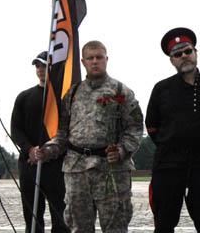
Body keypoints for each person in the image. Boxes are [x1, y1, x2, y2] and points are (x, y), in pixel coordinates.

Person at [37, 40, 143, 232]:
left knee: (116, 227)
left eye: (99, 57)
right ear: (83, 61)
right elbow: (62, 133)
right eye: (90, 58)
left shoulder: (121, 92)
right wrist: (48, 149)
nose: (95, 61)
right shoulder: (72, 93)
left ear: (106, 59)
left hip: (111, 171)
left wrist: (121, 150)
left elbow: (135, 128)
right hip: (77, 169)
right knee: (79, 227)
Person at [145, 27, 200, 233]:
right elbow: (152, 125)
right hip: (168, 163)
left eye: (187, 51)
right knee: (163, 223)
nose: (184, 56)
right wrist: (169, 144)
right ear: (172, 60)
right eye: (177, 54)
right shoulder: (161, 88)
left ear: (195, 53)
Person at [11, 51, 69, 233]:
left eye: (44, 65)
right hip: (29, 164)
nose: (40, 69)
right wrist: (29, 149)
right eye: (37, 66)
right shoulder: (24, 97)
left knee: (60, 215)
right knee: (32, 216)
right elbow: (16, 129)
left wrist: (49, 151)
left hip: (56, 166)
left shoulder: (63, 99)